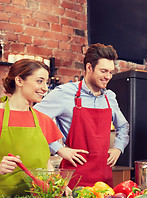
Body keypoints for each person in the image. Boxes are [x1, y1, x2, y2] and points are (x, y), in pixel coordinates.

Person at [34, 43, 129, 188]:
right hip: (73, 178)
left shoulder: (110, 97)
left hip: (104, 180)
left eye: (111, 72)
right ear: (89, 68)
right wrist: (59, 149)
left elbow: (123, 126)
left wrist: (118, 148)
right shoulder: (64, 93)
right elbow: (34, 118)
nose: (108, 77)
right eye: (104, 71)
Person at [0, 59, 63, 198]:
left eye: (46, 82)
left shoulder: (44, 120)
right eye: (39, 81)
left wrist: (56, 184)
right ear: (19, 81)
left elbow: (46, 163)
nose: (45, 88)